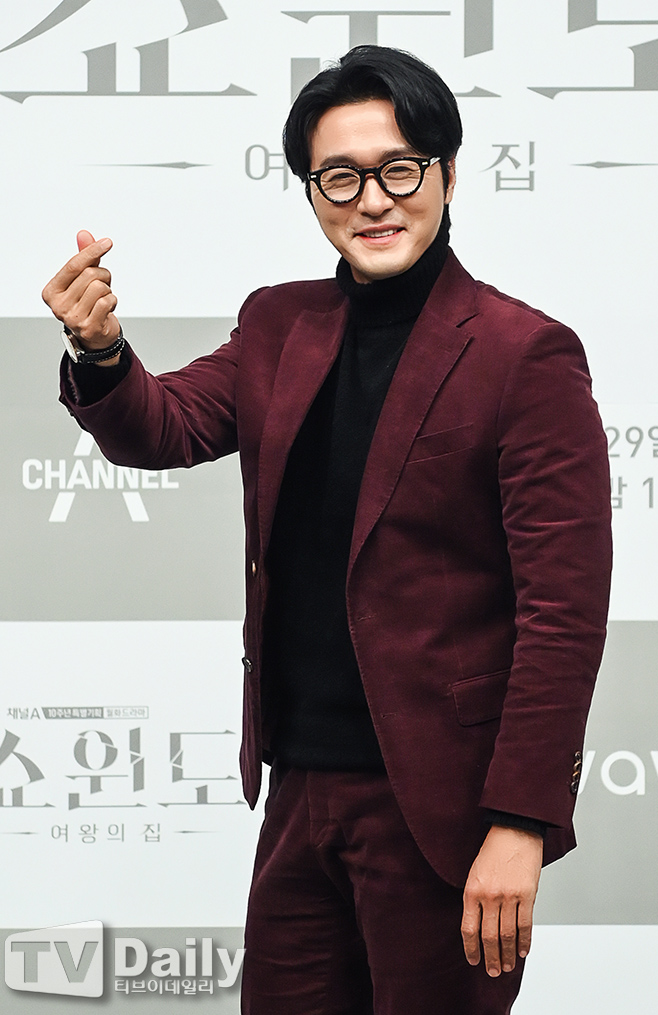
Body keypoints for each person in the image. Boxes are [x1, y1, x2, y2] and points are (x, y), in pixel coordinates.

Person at [43, 45, 612, 1015]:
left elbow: (562, 613)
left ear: (447, 173)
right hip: (299, 788)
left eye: (399, 169)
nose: (372, 199)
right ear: (311, 191)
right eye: (339, 176)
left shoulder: (525, 354)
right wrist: (100, 352)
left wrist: (520, 820)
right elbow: (163, 427)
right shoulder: (278, 324)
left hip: (440, 807)